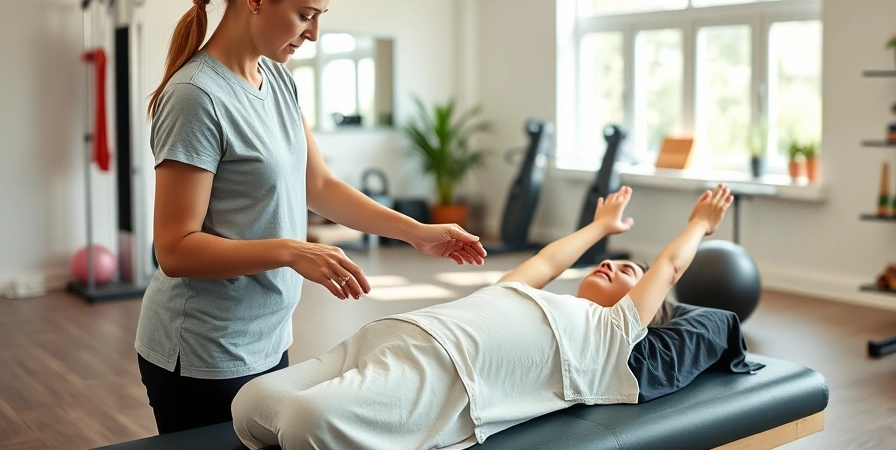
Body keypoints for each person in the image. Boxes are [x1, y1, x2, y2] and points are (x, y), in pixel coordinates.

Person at [136, 0, 487, 436]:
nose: (315, 34)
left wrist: (418, 232)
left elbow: (318, 186)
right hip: (202, 350)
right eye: (305, 15)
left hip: (266, 336)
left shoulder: (277, 80)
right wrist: (291, 250)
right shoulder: (196, 97)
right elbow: (176, 249)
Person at [232, 184, 764, 450]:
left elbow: (669, 267)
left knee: (302, 423)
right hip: (391, 336)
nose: (609, 264)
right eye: (610, 258)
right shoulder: (529, 296)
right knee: (249, 404)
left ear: (642, 312)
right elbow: (549, 260)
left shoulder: (611, 337)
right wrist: (601, 227)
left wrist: (699, 223)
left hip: (442, 378)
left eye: (627, 270)